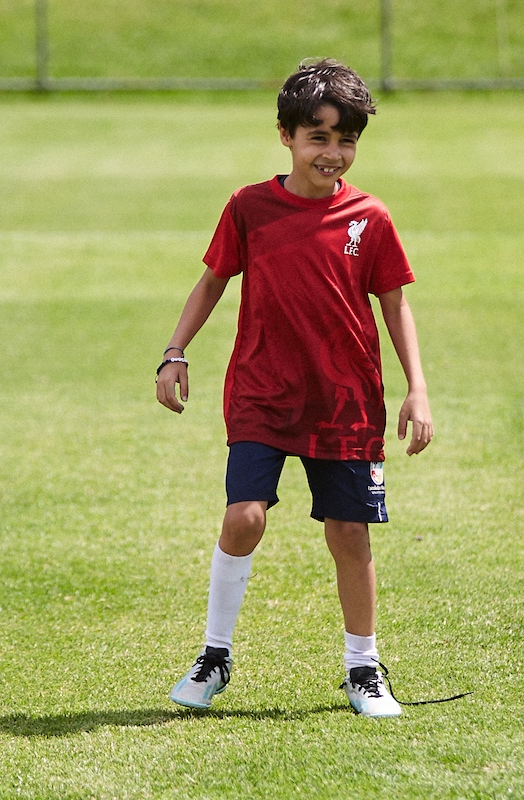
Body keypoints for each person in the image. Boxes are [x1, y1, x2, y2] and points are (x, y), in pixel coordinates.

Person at [155, 58, 432, 718]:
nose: (333, 153)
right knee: (244, 516)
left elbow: (395, 304)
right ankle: (214, 655)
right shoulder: (250, 207)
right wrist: (174, 352)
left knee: (349, 533)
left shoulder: (371, 217)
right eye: (319, 137)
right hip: (263, 392)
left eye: (346, 140)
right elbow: (214, 279)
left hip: (346, 400)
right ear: (286, 135)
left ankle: (363, 668)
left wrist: (418, 389)